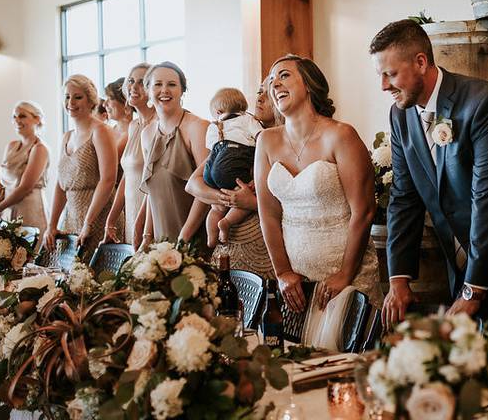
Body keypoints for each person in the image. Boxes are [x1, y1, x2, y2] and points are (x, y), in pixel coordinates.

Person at [371, 20, 488, 342]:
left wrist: (473, 291)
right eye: (380, 75)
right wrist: (399, 279)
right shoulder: (401, 115)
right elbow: (404, 197)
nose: (383, 86)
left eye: (390, 74)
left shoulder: (482, 103)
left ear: (421, 62)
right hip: (462, 258)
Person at [255, 54, 381, 316]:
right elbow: (268, 214)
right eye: (271, 80)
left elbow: (364, 210)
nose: (274, 84)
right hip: (297, 286)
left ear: (309, 84)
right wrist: (283, 272)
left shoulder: (340, 135)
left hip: (347, 278)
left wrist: (345, 274)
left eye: (284, 75)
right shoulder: (266, 141)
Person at [44, 75, 118, 258]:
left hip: (98, 215)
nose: (71, 102)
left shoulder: (101, 131)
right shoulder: (67, 137)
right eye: (67, 97)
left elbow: (108, 180)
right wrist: (51, 225)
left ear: (91, 100)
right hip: (71, 218)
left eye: (78, 97)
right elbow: (61, 185)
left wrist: (89, 222)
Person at [139, 62, 209, 247]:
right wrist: (147, 237)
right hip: (160, 242)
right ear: (148, 89)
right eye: (158, 84)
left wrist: (184, 238)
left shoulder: (197, 127)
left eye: (171, 84)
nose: (164, 90)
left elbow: (207, 188)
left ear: (182, 90)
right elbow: (151, 192)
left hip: (194, 237)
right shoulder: (146, 135)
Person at [102, 63, 156, 244]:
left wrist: (142, 223)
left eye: (141, 82)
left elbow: (153, 181)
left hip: (151, 212)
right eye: (131, 81)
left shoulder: (158, 124)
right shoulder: (134, 126)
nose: (134, 87)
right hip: (131, 209)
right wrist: (112, 218)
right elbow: (127, 176)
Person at [202, 87, 262, 247]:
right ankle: (226, 223)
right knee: (243, 193)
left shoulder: (213, 126)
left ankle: (211, 239)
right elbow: (261, 137)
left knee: (215, 208)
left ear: (218, 111)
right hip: (231, 163)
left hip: (210, 168)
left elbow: (210, 148)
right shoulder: (247, 119)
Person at [0, 101, 50, 230]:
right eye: (14, 116)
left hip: (30, 210)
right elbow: (0, 181)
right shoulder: (11, 146)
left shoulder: (39, 148)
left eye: (22, 116)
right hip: (6, 210)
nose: (17, 120)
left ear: (37, 119)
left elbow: (25, 187)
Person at [103, 77, 133, 158]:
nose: (104, 104)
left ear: (126, 103)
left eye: (111, 98)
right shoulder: (110, 130)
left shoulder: (130, 134)